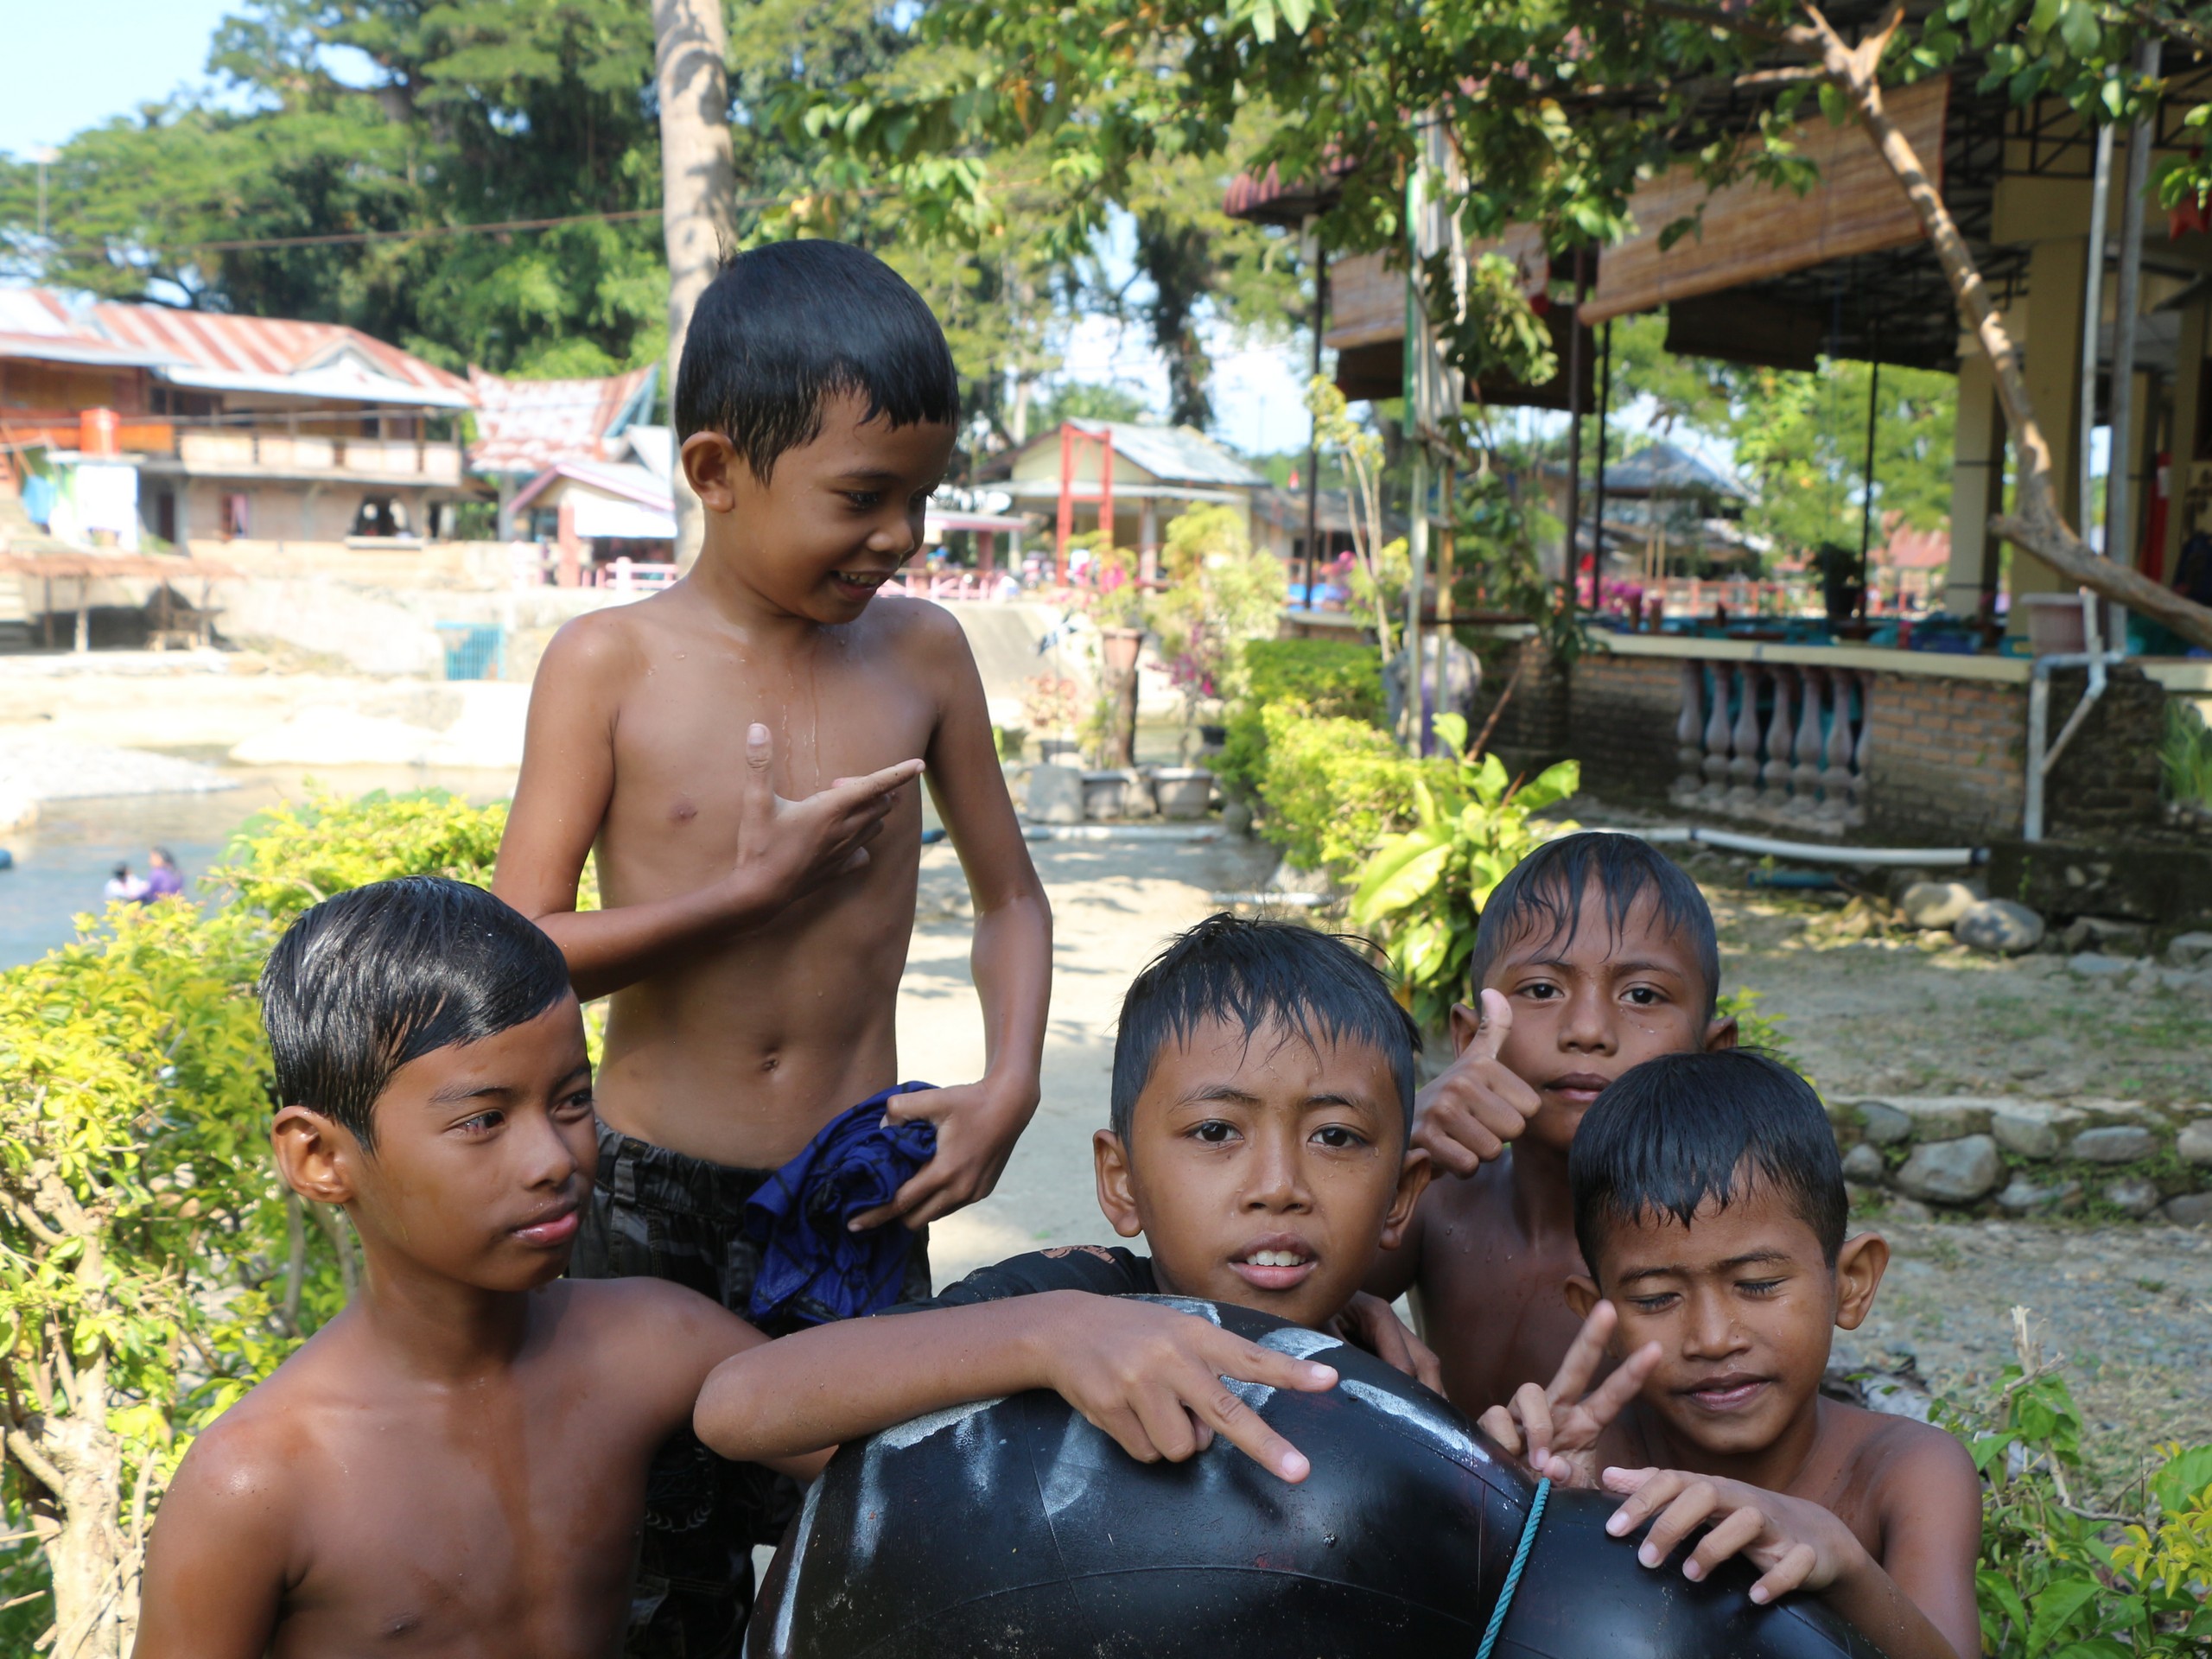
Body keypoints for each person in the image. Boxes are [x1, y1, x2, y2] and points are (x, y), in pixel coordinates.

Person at [491, 241, 1052, 1643]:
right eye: (861, 498)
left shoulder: (921, 657)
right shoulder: (609, 666)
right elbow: (513, 960)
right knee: (644, 1568)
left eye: (920, 499)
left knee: (862, 1555)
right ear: (715, 469)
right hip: (643, 1204)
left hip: (854, 1189)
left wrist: (1012, 1081)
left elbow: (1011, 901)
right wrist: (740, 901)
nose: (901, 538)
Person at [695, 914, 1439, 1471]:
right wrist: (1044, 1338)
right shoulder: (1076, 1302)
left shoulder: (1395, 1383)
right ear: (1122, 1183)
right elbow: (738, 1404)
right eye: (1216, 1132)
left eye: (1335, 1137)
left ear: (1401, 1197)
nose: (1279, 1187)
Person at [1478, 1050, 1981, 1659]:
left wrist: (1845, 1563)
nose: (1714, 1338)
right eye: (1657, 1298)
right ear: (1599, 1315)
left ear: (1851, 1281)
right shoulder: (1591, 1469)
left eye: (1759, 1285)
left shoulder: (1903, 1473)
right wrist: (1508, 1502)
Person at [1364, 831, 1738, 1416]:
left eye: (1642, 995)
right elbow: (1272, 1307)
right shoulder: (1435, 1203)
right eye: (1542, 989)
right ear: (1469, 1040)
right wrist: (1391, 1147)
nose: (1588, 1029)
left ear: (1713, 1053)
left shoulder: (1725, 1243)